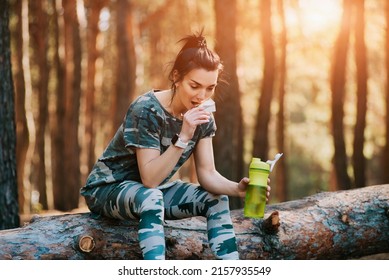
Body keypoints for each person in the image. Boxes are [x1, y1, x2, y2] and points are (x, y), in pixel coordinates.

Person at [80, 30, 271, 260]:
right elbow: (149, 179)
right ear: (176, 77)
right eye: (194, 85)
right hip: (106, 189)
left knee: (216, 199)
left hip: (151, 191)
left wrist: (237, 189)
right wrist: (184, 136)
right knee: (152, 197)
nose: (202, 96)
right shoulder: (146, 109)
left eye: (210, 88)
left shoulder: (203, 117)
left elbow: (207, 173)